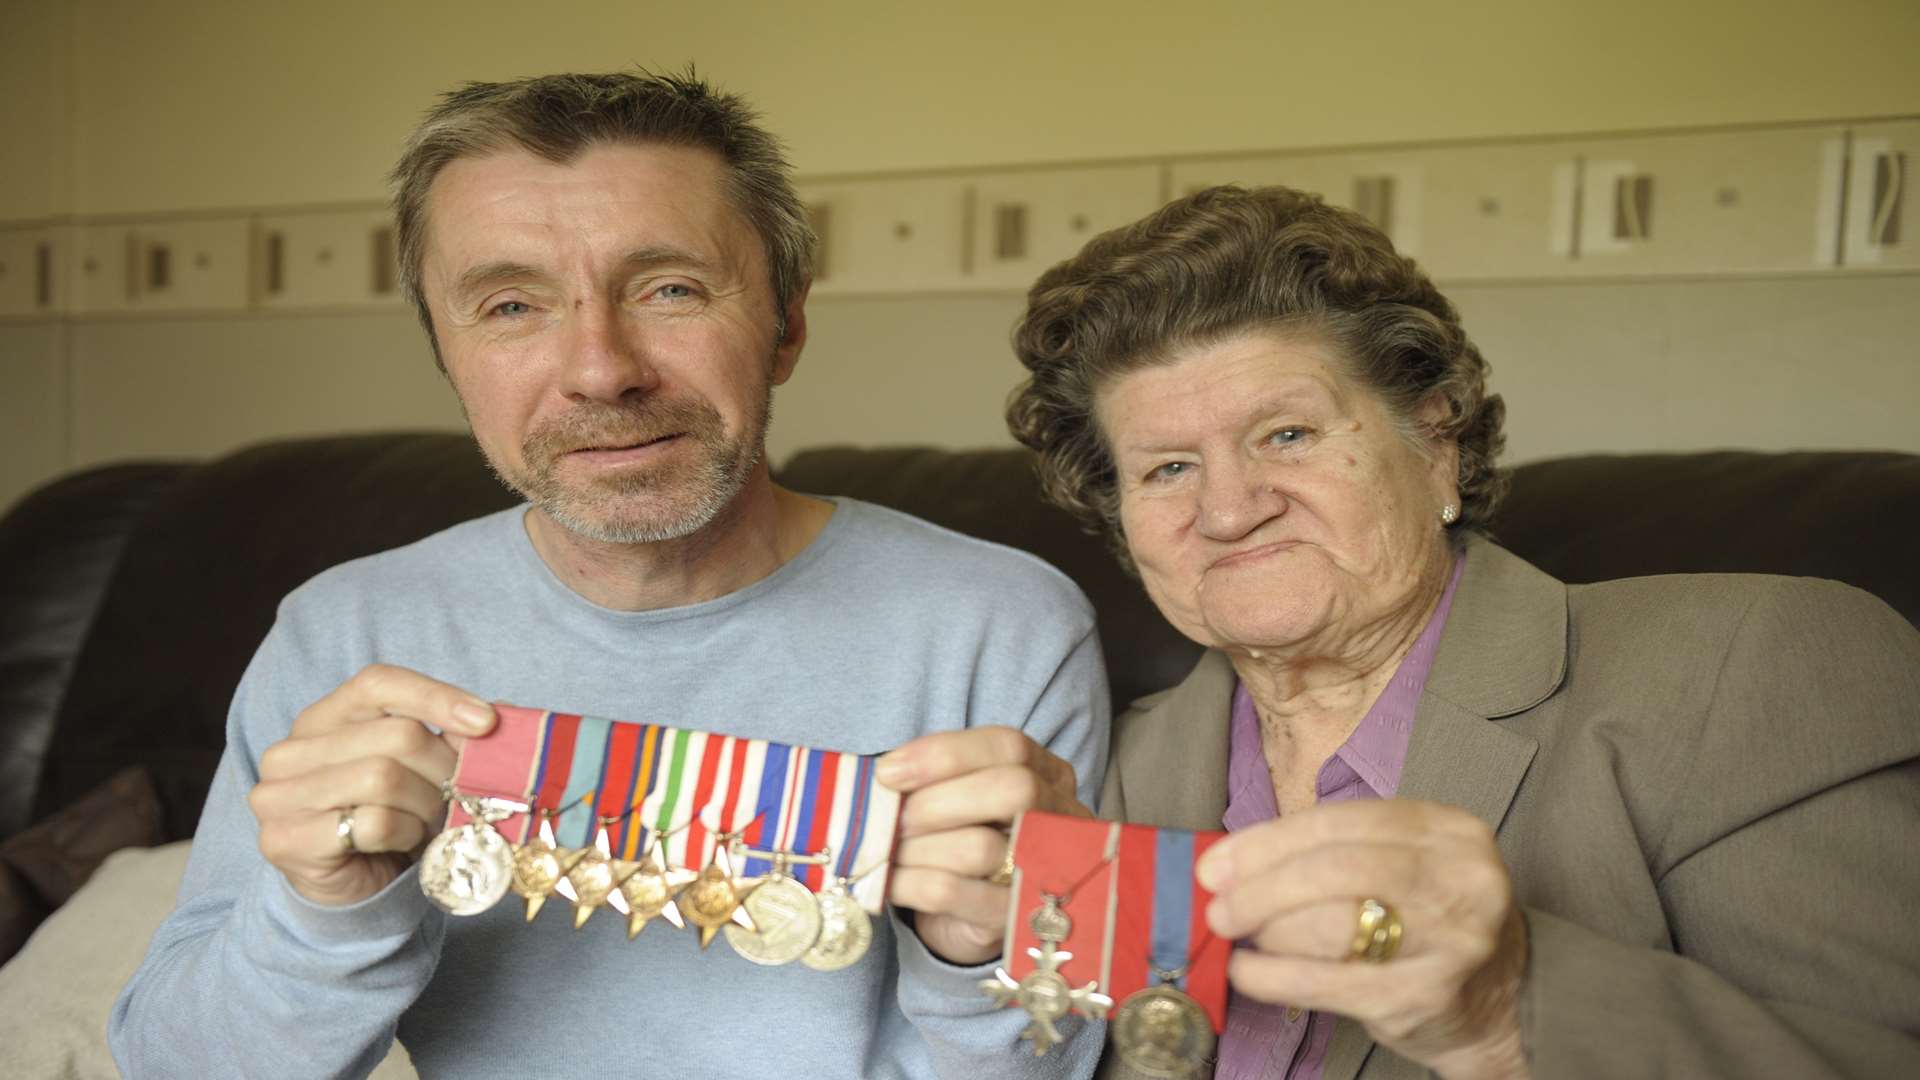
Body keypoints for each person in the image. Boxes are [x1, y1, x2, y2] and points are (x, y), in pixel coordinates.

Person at [110, 71, 1107, 1080]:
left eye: (669, 288)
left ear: (787, 328)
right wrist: (324, 918)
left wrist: (975, 953)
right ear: (448, 358)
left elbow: (1064, 1064)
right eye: (509, 305)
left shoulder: (1002, 624)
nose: (601, 369)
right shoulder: (346, 638)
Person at [1007, 185, 1920, 1078]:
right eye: (1167, 467)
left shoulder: (1748, 665)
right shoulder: (1112, 768)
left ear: (1435, 440)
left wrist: (1504, 1012)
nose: (1230, 510)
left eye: (1286, 435)